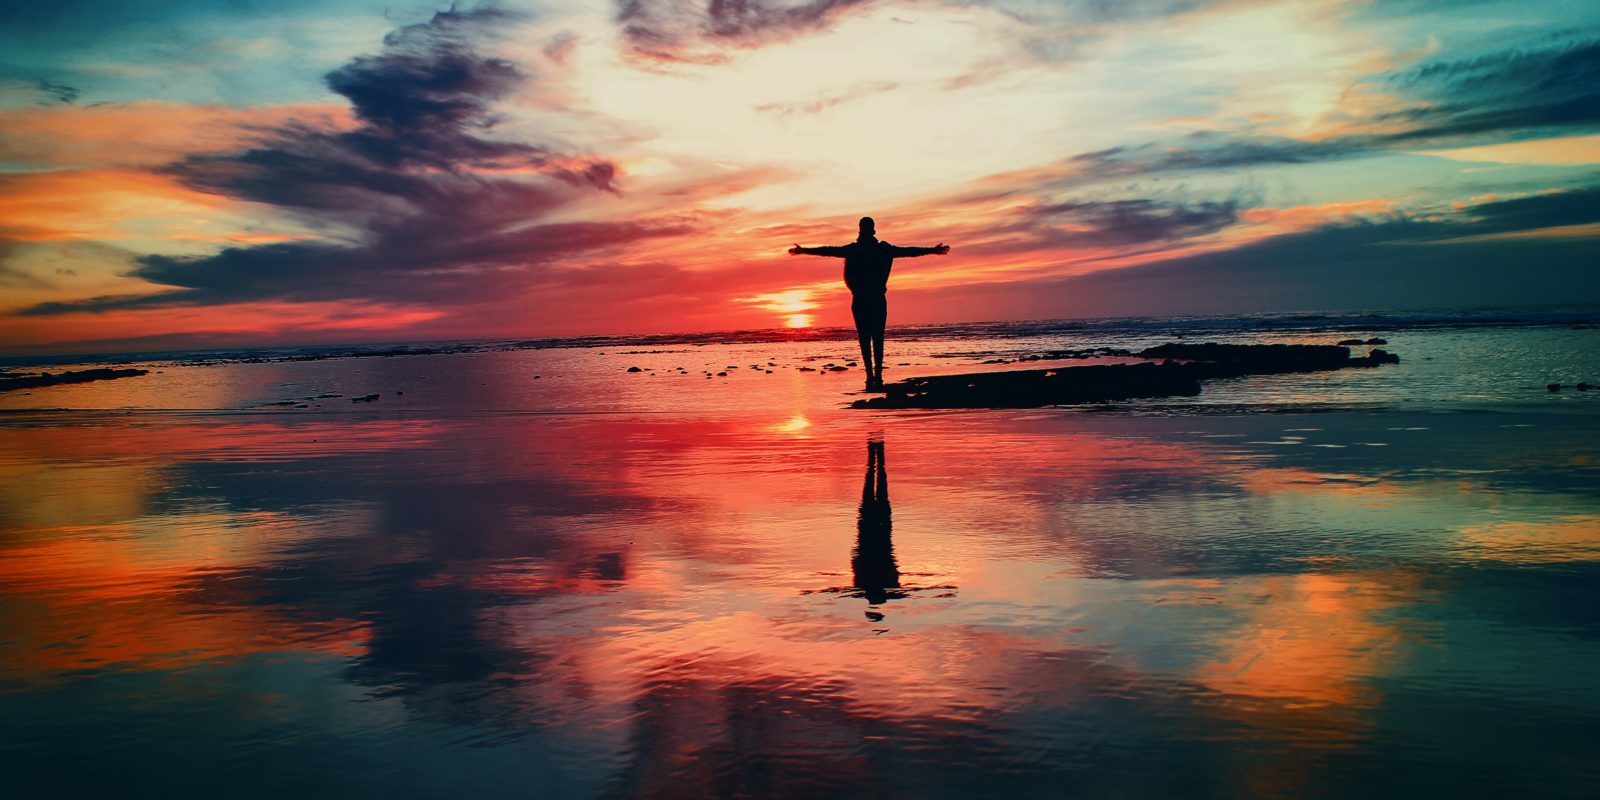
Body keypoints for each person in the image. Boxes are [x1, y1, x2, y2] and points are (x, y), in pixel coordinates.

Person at [789, 217, 949, 390]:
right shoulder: (866, 249)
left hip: (869, 299)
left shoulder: (873, 249)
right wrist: (804, 250)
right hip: (867, 299)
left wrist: (932, 250)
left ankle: (874, 375)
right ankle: (873, 375)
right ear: (872, 231)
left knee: (871, 338)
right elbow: (829, 250)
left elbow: (908, 251)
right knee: (870, 338)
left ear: (863, 230)